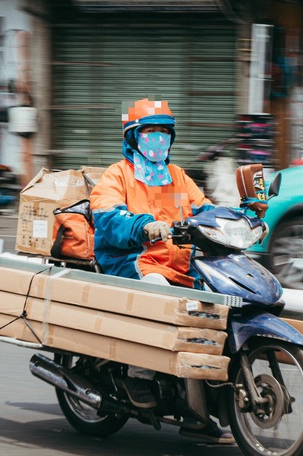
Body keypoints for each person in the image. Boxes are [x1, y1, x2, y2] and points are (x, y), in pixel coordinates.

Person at [89, 98, 233, 444]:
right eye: (149, 132)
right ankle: (139, 375)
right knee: (158, 292)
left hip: (181, 264)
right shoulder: (117, 174)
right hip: (134, 261)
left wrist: (238, 219)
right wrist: (143, 226)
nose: (157, 139)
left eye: (163, 133)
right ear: (133, 137)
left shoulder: (178, 176)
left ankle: (199, 410)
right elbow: (107, 218)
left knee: (215, 308)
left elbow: (205, 210)